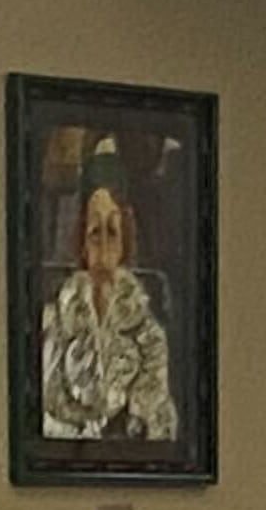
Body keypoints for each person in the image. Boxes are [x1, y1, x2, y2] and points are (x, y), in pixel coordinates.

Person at [38, 154, 180, 443]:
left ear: (125, 240)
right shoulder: (55, 320)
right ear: (81, 241)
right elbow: (50, 407)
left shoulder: (148, 330)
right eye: (94, 233)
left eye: (112, 233)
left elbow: (156, 416)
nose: (103, 246)